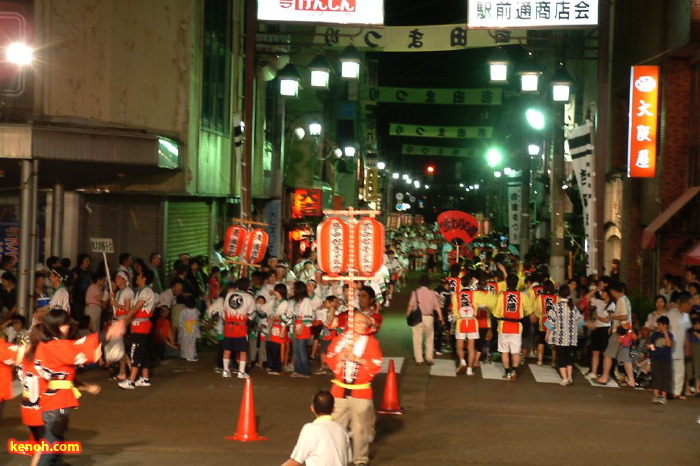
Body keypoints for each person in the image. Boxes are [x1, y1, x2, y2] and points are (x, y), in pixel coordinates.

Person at [34, 308, 124, 465]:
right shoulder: (57, 347)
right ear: (56, 326)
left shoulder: (44, 346)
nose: (68, 326)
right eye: (64, 324)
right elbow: (79, 346)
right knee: (50, 447)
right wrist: (108, 333)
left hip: (49, 401)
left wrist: (88, 387)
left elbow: (66, 374)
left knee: (54, 445)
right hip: (58, 404)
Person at [326, 312, 383, 466]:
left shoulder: (371, 343)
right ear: (351, 323)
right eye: (359, 322)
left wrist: (358, 359)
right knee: (336, 427)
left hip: (361, 391)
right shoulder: (339, 340)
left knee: (360, 431)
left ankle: (360, 459)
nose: (363, 325)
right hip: (339, 391)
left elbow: (376, 364)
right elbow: (330, 358)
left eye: (365, 323)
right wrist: (341, 356)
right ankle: (336, 458)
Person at [282, 390, 352, 466]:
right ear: (333, 409)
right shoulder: (342, 429)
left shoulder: (310, 429)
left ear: (312, 408)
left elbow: (296, 460)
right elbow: (348, 459)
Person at [119, 269, 157, 389]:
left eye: (139, 276)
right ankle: (145, 377)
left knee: (135, 351)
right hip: (138, 325)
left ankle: (131, 380)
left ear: (144, 278)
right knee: (143, 352)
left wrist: (125, 321)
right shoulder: (141, 291)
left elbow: (136, 308)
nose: (137, 278)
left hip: (141, 326)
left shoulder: (146, 292)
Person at [492, 274, 534, 381]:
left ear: (506, 283)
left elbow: (496, 314)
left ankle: (507, 372)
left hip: (504, 326)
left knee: (504, 351)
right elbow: (529, 311)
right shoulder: (522, 296)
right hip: (517, 327)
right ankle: (514, 370)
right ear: (517, 284)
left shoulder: (502, 296)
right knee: (516, 352)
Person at [594, 282, 636, 387]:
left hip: (619, 332)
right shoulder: (626, 299)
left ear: (613, 290)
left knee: (608, 354)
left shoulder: (621, 300)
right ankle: (631, 380)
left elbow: (624, 316)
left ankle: (604, 377)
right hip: (626, 333)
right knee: (625, 357)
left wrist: (613, 316)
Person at [454, 274, 493, 375]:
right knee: (471, 348)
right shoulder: (475, 294)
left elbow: (455, 312)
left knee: (459, 346)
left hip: (461, 322)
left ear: (461, 284)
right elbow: (486, 303)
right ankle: (469, 369)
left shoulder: (455, 295)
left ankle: (462, 361)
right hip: (472, 322)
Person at [545, 285, 584, 386]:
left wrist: (547, 334)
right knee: (568, 358)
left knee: (561, 358)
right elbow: (580, 322)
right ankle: (570, 377)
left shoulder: (556, 307)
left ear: (558, 294)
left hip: (559, 337)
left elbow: (550, 322)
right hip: (571, 337)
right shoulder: (573, 307)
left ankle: (564, 378)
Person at [221, 277, 256, 379]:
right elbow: (251, 315)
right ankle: (241, 372)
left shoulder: (229, 295)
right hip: (240, 326)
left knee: (227, 349)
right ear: (248, 287)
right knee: (242, 350)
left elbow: (224, 311)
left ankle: (225, 370)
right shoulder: (249, 297)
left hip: (228, 325)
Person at [406, 275, 443, 366]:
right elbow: (437, 307)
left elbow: (410, 305)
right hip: (429, 318)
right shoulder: (432, 293)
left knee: (417, 339)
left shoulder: (415, 292)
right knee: (429, 338)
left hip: (418, 318)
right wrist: (441, 317)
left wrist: (408, 315)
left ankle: (419, 359)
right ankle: (429, 357)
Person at [667, 292, 692, 399]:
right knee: (671, 370)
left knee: (680, 371)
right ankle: (669, 390)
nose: (691, 306)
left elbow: (686, 332)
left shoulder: (686, 316)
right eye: (689, 304)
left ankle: (677, 392)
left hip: (680, 348)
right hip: (671, 346)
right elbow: (665, 327)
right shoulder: (671, 313)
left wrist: (687, 347)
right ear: (684, 304)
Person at [586, 287, 613, 379]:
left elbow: (607, 320)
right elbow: (587, 297)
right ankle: (594, 372)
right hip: (597, 329)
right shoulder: (600, 302)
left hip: (605, 330)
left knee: (605, 353)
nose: (601, 294)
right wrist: (596, 289)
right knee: (595, 351)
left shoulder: (611, 305)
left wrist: (596, 317)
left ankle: (604, 373)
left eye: (603, 292)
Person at [290, 280, 314, 378]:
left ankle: (305, 371)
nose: (291, 290)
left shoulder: (306, 301)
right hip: (295, 324)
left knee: (301, 349)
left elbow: (307, 316)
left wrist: (301, 327)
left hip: (302, 325)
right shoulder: (295, 301)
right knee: (295, 350)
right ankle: (298, 369)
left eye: (293, 288)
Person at [266, 283, 291, 375]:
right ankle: (274, 367)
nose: (275, 292)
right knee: (273, 347)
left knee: (278, 348)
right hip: (274, 327)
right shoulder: (276, 301)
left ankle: (279, 368)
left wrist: (283, 330)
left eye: (276, 291)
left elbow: (285, 317)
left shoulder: (284, 303)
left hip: (280, 327)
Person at [532, 279, 558, 367]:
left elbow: (536, 310)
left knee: (541, 341)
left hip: (543, 321)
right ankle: (553, 362)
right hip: (554, 322)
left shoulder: (540, 298)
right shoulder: (557, 298)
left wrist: (541, 315)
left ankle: (540, 360)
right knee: (554, 342)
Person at [649, 315, 674, 403]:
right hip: (655, 358)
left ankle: (663, 396)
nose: (658, 326)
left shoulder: (670, 335)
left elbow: (669, 344)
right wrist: (652, 350)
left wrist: (665, 332)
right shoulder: (655, 334)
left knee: (665, 377)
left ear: (665, 325)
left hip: (666, 359)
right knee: (656, 376)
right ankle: (656, 395)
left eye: (659, 325)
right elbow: (651, 344)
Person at [179, 296, 201, 362]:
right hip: (193, 328)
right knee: (192, 343)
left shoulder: (184, 311)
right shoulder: (196, 311)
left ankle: (186, 355)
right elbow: (197, 318)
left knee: (186, 342)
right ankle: (190, 356)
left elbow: (180, 320)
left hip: (185, 328)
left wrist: (181, 327)